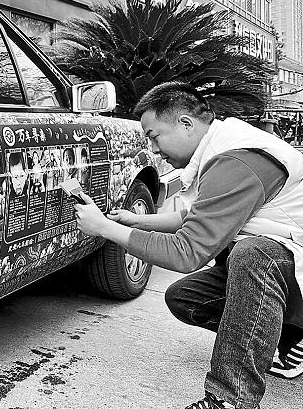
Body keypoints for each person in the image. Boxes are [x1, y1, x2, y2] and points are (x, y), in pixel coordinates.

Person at [74, 81, 303, 409]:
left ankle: (230, 399)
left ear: (185, 123)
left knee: (254, 255)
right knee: (185, 298)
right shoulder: (221, 146)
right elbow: (195, 215)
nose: (154, 149)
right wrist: (136, 220)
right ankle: (288, 336)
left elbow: (187, 253)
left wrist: (105, 229)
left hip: (290, 265)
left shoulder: (238, 161)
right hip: (288, 268)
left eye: (155, 136)